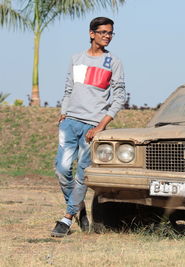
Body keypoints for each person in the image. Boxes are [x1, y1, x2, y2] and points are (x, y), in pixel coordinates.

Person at [51, 17, 126, 237]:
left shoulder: (113, 62)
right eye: (103, 32)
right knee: (62, 169)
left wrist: (101, 126)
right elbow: (68, 88)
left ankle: (66, 218)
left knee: (82, 174)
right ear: (91, 33)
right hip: (70, 121)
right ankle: (79, 208)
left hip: (93, 125)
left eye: (111, 33)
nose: (107, 36)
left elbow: (119, 97)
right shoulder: (76, 59)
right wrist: (63, 112)